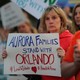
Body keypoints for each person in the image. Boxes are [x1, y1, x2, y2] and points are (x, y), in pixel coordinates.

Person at [38, 5, 75, 80]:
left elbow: (77, 66)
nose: (50, 21)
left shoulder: (72, 39)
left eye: (54, 18)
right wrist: (9, 56)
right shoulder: (40, 41)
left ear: (61, 20)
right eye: (47, 19)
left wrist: (64, 57)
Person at [61, 3, 80, 80]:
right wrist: (76, 64)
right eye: (75, 14)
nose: (77, 16)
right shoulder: (76, 37)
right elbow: (63, 71)